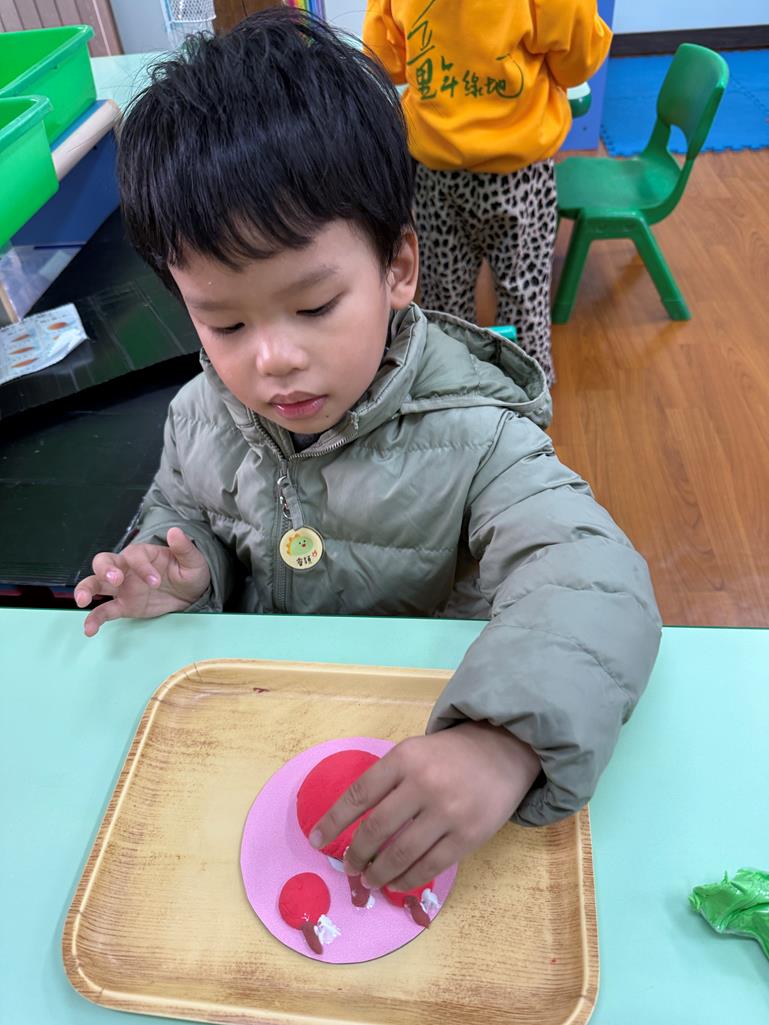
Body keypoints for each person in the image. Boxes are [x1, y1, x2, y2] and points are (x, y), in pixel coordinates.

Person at [74, 10, 659, 897]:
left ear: (397, 268)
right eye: (224, 322)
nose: (272, 359)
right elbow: (182, 511)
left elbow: (593, 576)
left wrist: (502, 739)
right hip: (262, 737)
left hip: (417, 744)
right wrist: (180, 573)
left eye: (313, 307)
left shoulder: (479, 430)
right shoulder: (199, 414)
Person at [363, 0, 612, 384]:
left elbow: (385, 61)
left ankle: (454, 393)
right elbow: (576, 65)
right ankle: (528, 398)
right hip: (519, 177)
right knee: (524, 300)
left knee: (446, 305)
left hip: (439, 172)